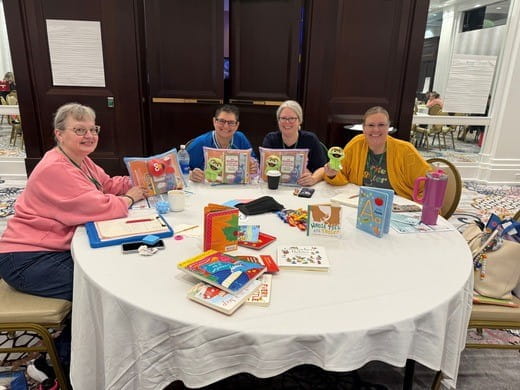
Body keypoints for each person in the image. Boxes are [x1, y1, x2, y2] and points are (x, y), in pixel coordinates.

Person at [0, 103, 146, 301]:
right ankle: (75, 333)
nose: (89, 135)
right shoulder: (56, 168)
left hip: (53, 247)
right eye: (79, 130)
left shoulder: (79, 159)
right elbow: (99, 207)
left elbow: (108, 184)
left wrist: (139, 179)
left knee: (114, 267)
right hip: (27, 258)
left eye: (93, 129)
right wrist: (129, 198)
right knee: (104, 289)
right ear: (59, 134)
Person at [323, 106, 430, 200]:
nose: (376, 130)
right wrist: (333, 175)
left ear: (388, 127)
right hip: (360, 204)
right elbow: (342, 175)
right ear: (364, 128)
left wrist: (421, 210)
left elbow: (429, 185)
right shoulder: (355, 145)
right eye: (370, 125)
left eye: (381, 125)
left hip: (396, 209)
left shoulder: (406, 151)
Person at [262, 100, 327, 186]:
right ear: (278, 121)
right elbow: (264, 168)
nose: (287, 122)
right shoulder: (270, 139)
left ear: (299, 120)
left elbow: (322, 168)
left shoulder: (310, 139)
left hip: (303, 186)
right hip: (276, 185)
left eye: (292, 118)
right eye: (283, 118)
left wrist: (313, 179)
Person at [187, 104, 258, 182]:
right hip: (207, 189)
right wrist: (191, 174)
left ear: (237, 125)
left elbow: (253, 161)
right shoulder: (199, 143)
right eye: (221, 121)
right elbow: (180, 169)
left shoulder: (240, 138)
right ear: (214, 121)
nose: (226, 126)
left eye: (231, 122)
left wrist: (253, 166)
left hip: (235, 188)